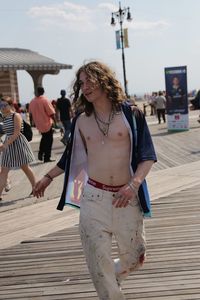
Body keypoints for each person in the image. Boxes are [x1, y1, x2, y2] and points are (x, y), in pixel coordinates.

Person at [33, 61, 157, 300]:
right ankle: (110, 291)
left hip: (126, 198)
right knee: (97, 261)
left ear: (104, 79)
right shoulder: (81, 120)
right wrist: (48, 177)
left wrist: (134, 184)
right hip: (93, 198)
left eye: (90, 80)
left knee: (136, 256)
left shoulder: (131, 115)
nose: (86, 87)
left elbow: (147, 155)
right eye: (81, 83)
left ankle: (113, 276)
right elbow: (70, 157)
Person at [0, 97, 36, 201]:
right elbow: (6, 133)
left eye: (4, 105)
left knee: (25, 168)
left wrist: (5, 144)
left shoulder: (16, 116)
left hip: (18, 144)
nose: (2, 107)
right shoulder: (4, 117)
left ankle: (35, 187)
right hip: (9, 144)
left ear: (10, 105)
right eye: (1, 105)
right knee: (4, 171)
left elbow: (16, 133)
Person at [29, 87, 56, 163]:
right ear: (43, 92)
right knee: (49, 140)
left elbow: (30, 114)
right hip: (47, 124)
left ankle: (40, 153)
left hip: (39, 124)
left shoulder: (32, 102)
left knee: (44, 138)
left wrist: (32, 123)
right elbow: (51, 113)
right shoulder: (45, 100)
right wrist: (56, 122)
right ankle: (46, 157)